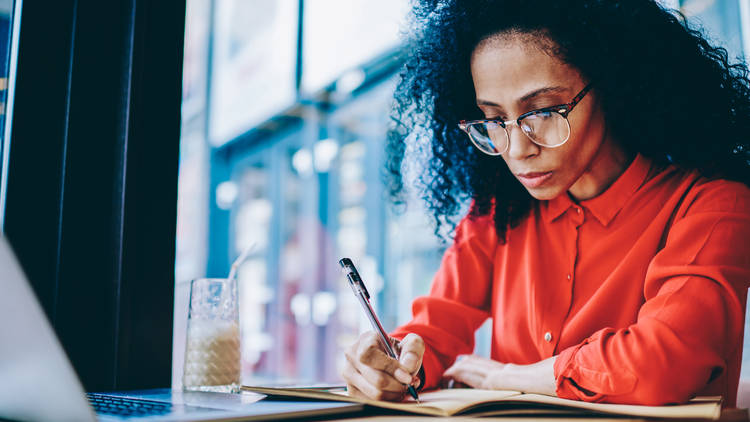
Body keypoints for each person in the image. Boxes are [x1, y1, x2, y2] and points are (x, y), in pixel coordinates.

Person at [340, 0, 750, 407]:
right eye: (494, 119)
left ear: (613, 84)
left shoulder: (713, 206)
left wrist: (510, 377)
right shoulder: (497, 212)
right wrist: (393, 363)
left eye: (544, 111)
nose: (517, 149)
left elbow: (664, 362)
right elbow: (435, 329)